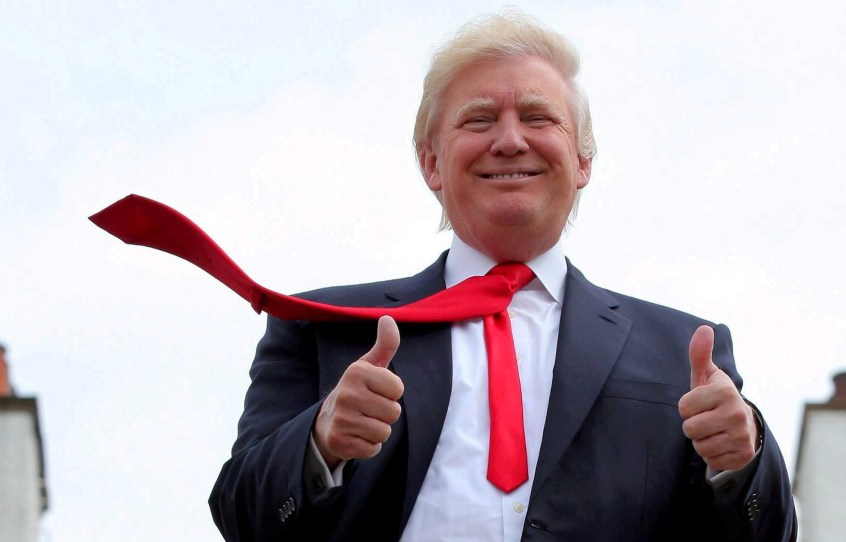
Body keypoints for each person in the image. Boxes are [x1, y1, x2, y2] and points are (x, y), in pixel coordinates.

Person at [209, 11, 797, 541]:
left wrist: (741, 462)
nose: (510, 140)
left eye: (538, 117)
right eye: (479, 119)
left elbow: (768, 534)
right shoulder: (322, 329)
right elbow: (242, 516)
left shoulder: (684, 352)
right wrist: (320, 442)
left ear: (583, 160)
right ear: (432, 163)